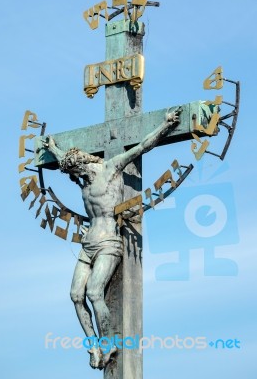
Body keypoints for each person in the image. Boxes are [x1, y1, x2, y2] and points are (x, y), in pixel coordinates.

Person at [43, 106, 181, 369]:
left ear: (85, 164)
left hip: (109, 242)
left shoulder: (111, 168)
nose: (77, 179)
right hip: (88, 244)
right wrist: (52, 148)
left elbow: (140, 147)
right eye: (73, 175)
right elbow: (65, 158)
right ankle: (93, 347)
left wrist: (165, 126)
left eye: (78, 173)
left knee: (95, 292)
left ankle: (109, 343)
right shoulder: (79, 173)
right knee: (75, 295)